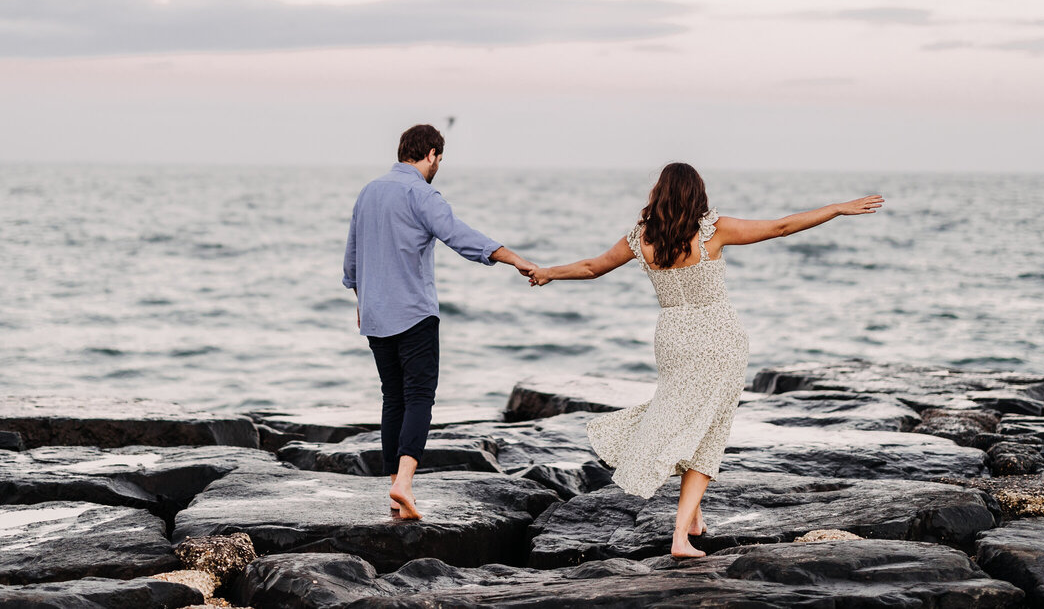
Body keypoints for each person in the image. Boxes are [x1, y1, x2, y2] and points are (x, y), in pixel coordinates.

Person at [527, 163, 882, 558]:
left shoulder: (640, 239)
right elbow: (780, 227)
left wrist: (548, 273)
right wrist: (835, 208)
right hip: (718, 336)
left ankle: (693, 517)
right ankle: (681, 537)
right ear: (697, 193)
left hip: (673, 338)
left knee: (686, 416)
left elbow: (592, 267)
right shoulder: (713, 230)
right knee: (709, 428)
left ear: (659, 194)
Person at [343, 123, 538, 520]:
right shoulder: (420, 192)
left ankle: (393, 489)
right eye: (439, 160)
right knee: (419, 397)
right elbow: (459, 236)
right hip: (413, 313)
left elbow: (352, 260)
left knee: (392, 398)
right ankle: (404, 484)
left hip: (376, 316)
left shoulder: (369, 192)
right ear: (430, 154)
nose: (438, 167)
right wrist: (514, 258)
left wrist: (363, 300)